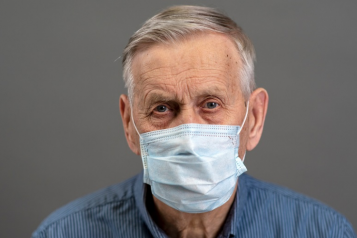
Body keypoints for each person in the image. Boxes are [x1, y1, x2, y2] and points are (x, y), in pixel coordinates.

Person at [32, 5, 356, 238]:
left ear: (254, 117)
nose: (188, 135)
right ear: (130, 124)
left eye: (211, 104)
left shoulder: (321, 231)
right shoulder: (62, 233)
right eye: (162, 108)